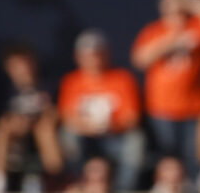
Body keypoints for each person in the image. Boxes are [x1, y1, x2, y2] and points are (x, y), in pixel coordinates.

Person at [131, 0, 200, 175]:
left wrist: (186, 0)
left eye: (179, 9)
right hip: (162, 109)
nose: (176, 13)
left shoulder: (196, 27)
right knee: (168, 158)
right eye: (171, 9)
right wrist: (171, 42)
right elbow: (140, 59)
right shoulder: (154, 31)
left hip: (196, 107)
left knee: (194, 158)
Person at [58, 29, 145, 192]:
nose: (94, 59)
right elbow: (67, 117)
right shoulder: (71, 81)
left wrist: (110, 125)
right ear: (78, 57)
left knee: (136, 140)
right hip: (85, 136)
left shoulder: (123, 78)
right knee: (67, 135)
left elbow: (132, 118)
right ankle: (76, 183)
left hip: (115, 135)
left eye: (98, 54)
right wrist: (88, 126)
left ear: (106, 54)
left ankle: (123, 189)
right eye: (88, 55)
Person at [0, 43, 64, 193]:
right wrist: (17, 122)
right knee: (1, 129)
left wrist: (41, 118)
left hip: (43, 133)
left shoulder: (48, 85)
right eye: (16, 65)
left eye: (25, 63)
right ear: (9, 68)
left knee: (45, 128)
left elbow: (57, 112)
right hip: (15, 136)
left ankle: (55, 179)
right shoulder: (4, 90)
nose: (23, 69)